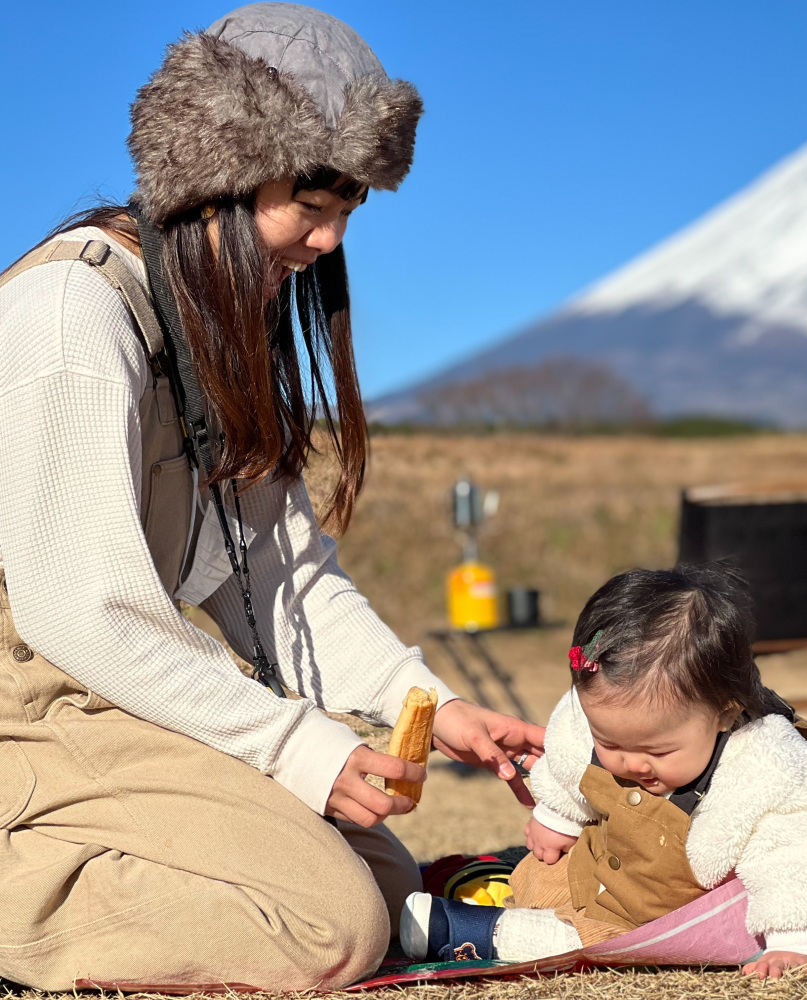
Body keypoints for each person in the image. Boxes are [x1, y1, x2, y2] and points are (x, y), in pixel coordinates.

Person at [0, 4, 543, 992]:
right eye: (312, 201)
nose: (332, 240)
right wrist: (296, 743)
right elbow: (74, 609)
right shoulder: (72, 311)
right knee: (325, 925)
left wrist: (434, 704)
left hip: (117, 686)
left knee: (375, 874)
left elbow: (289, 580)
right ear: (214, 168)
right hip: (28, 704)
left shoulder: (219, 334)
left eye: (352, 208)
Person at [401, 565, 807, 980]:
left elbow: (806, 846)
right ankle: (475, 877)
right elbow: (569, 757)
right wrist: (557, 818)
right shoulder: (597, 715)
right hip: (588, 870)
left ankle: (471, 932)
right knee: (533, 876)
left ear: (725, 712)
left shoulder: (764, 764)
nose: (631, 763)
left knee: (575, 943)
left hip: (649, 920)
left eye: (658, 750)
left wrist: (796, 939)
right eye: (611, 743)